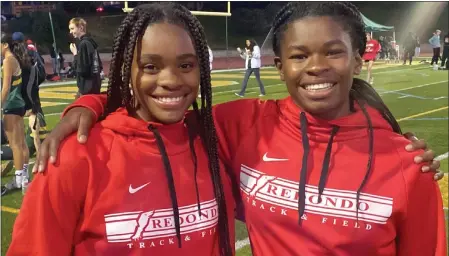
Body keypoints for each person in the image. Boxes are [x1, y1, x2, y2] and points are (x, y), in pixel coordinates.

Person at [34, 2, 447, 255]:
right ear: (279, 64)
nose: (316, 67)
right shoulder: (242, 125)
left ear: (359, 60)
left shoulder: (407, 165)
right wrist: (88, 103)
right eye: (300, 55)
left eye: (333, 53)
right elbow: (151, 114)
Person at [8, 3, 234, 255]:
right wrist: (91, 102)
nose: (171, 80)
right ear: (127, 70)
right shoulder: (73, 156)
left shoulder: (216, 140)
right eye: (150, 66)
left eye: (186, 66)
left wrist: (92, 101)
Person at [1, 32, 30, 192]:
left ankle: (19, 180)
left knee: (15, 145)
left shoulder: (8, 60)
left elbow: (5, 88)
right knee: (22, 144)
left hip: (11, 105)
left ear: (5, 45)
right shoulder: (14, 59)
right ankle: (23, 177)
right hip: (18, 104)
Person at [69, 17, 102, 97]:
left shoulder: (84, 44)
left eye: (72, 28)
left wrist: (75, 54)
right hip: (95, 85)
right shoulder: (91, 43)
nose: (71, 32)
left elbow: (82, 70)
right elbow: (99, 66)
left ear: (80, 28)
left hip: (87, 88)